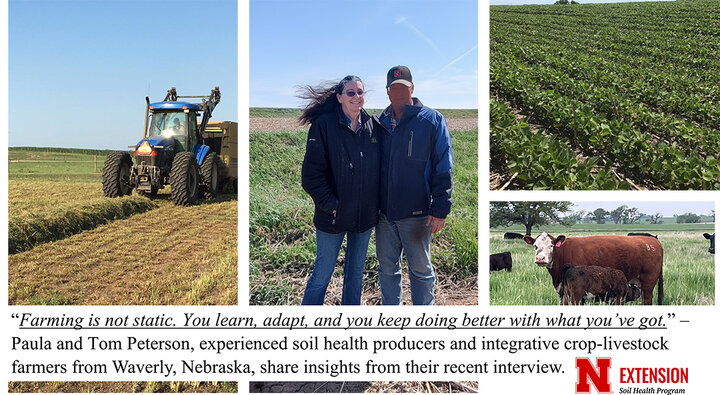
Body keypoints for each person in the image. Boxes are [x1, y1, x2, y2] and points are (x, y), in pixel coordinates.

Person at [374, 65, 453, 305]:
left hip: (418, 213)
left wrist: (440, 209)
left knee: (420, 271)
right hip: (384, 214)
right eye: (394, 89)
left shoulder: (431, 120)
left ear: (412, 89)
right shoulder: (379, 123)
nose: (398, 93)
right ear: (387, 91)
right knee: (387, 269)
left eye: (403, 88)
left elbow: (444, 165)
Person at [298, 75, 380, 305]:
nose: (356, 97)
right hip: (332, 217)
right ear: (340, 97)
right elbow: (311, 176)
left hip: (364, 217)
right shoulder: (324, 126)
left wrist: (375, 206)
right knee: (322, 275)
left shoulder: (373, 127)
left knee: (355, 276)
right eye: (351, 93)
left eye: (360, 92)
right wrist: (331, 205)